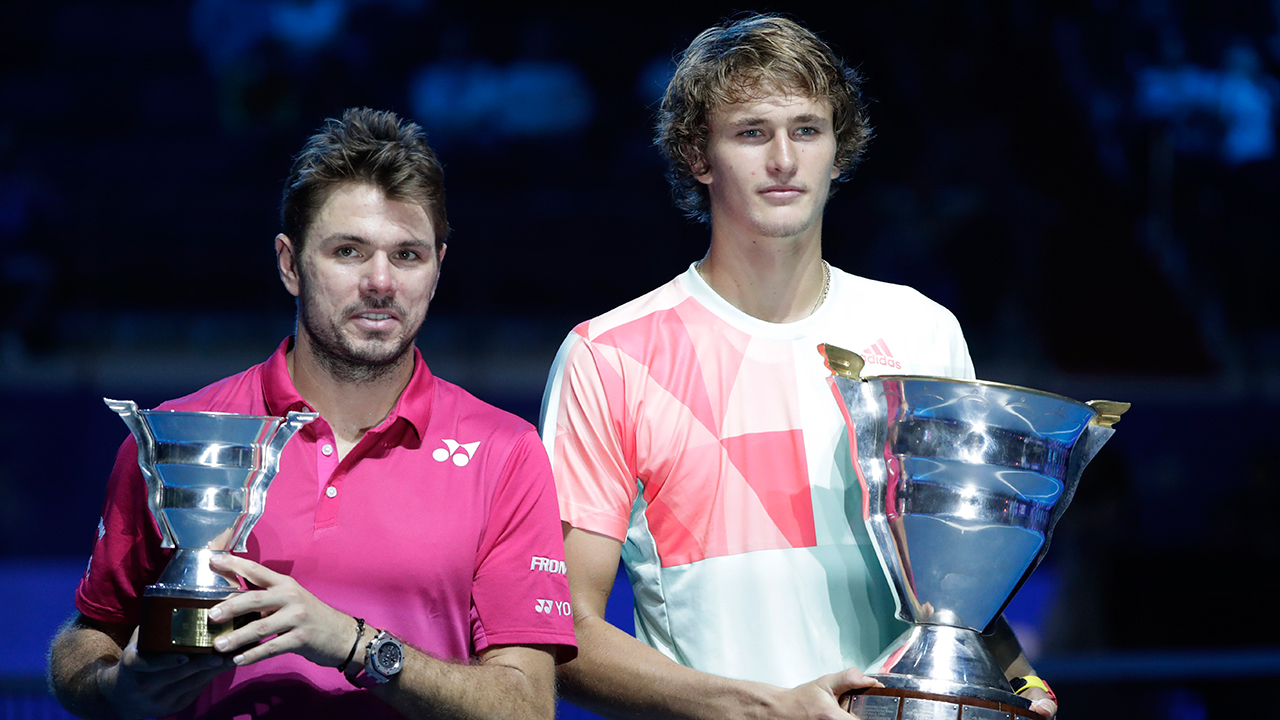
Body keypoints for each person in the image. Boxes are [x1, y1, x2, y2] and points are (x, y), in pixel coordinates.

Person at [539, 14, 1057, 720]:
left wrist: (1021, 684)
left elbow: (958, 598)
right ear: (698, 154)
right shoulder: (610, 356)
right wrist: (760, 708)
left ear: (838, 151)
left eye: (807, 130)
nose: (783, 158)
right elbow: (565, 631)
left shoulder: (923, 332)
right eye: (752, 132)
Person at [49, 107, 576, 720]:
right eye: (348, 251)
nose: (381, 282)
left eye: (407, 256)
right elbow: (86, 641)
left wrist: (354, 644)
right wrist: (115, 687)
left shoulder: (505, 450)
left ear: (437, 269)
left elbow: (529, 707)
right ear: (289, 264)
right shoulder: (183, 434)